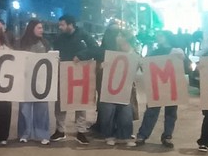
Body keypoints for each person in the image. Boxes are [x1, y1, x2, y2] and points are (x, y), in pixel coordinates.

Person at [51, 14, 97, 144]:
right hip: (64, 73)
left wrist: (81, 55)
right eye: (59, 25)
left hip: (80, 73)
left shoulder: (83, 35)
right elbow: (55, 51)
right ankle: (60, 130)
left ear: (70, 25)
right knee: (60, 102)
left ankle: (81, 131)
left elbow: (94, 48)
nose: (60, 27)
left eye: (62, 25)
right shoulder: (59, 38)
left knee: (80, 101)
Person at [135, 30, 184, 148]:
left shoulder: (176, 51)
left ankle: (167, 136)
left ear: (167, 37)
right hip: (157, 85)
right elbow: (146, 67)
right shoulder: (154, 52)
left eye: (160, 36)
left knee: (170, 112)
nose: (158, 38)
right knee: (152, 111)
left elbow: (183, 66)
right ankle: (142, 135)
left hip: (171, 85)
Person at [96, 28, 137, 147]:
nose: (117, 37)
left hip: (125, 88)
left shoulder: (133, 53)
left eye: (120, 35)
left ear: (126, 38)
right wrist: (103, 66)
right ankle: (109, 135)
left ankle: (125, 136)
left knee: (125, 112)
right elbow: (101, 66)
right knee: (108, 112)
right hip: (109, 87)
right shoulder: (111, 52)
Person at [17, 19, 52, 145]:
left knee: (42, 108)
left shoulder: (45, 43)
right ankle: (24, 133)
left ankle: (42, 134)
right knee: (24, 109)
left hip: (41, 81)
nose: (42, 30)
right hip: (25, 80)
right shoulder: (22, 43)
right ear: (32, 29)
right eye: (39, 28)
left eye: (42, 28)